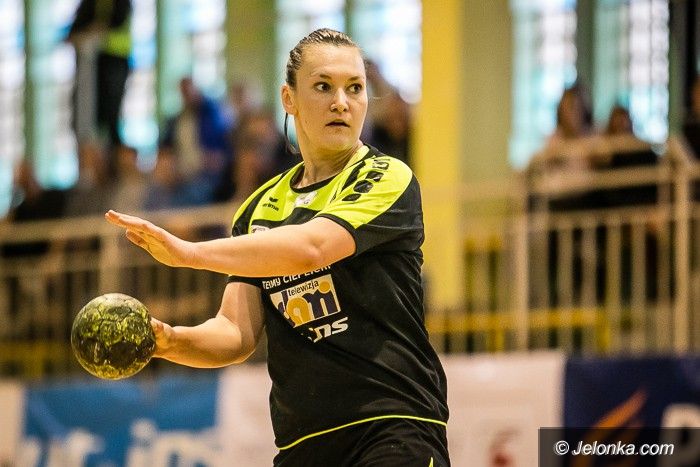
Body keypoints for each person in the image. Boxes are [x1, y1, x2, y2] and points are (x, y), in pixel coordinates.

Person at [106, 28, 449, 466]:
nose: (341, 102)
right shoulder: (257, 209)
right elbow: (235, 334)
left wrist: (188, 253)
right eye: (323, 86)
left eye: (355, 88)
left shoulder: (386, 176)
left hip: (392, 428)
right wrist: (167, 341)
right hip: (302, 445)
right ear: (289, 98)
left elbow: (313, 248)